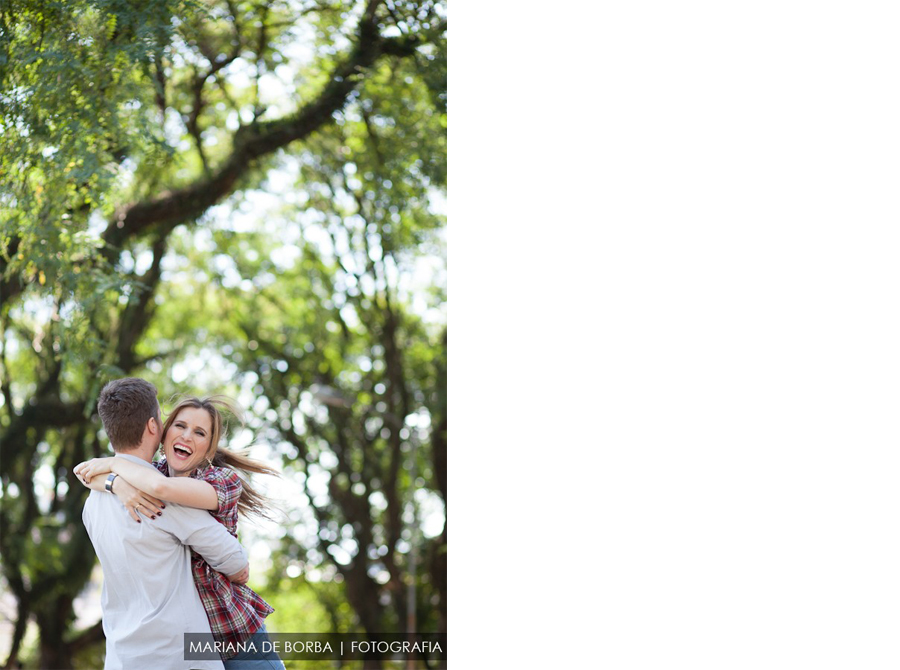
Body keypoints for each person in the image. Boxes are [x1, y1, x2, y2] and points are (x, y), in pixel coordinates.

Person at [76, 394, 285, 670]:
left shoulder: (220, 481)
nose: (187, 436)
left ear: (209, 449)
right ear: (162, 432)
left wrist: (115, 465)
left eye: (199, 433)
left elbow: (162, 491)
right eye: (180, 426)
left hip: (233, 634)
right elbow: (84, 473)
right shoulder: (151, 474)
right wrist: (116, 484)